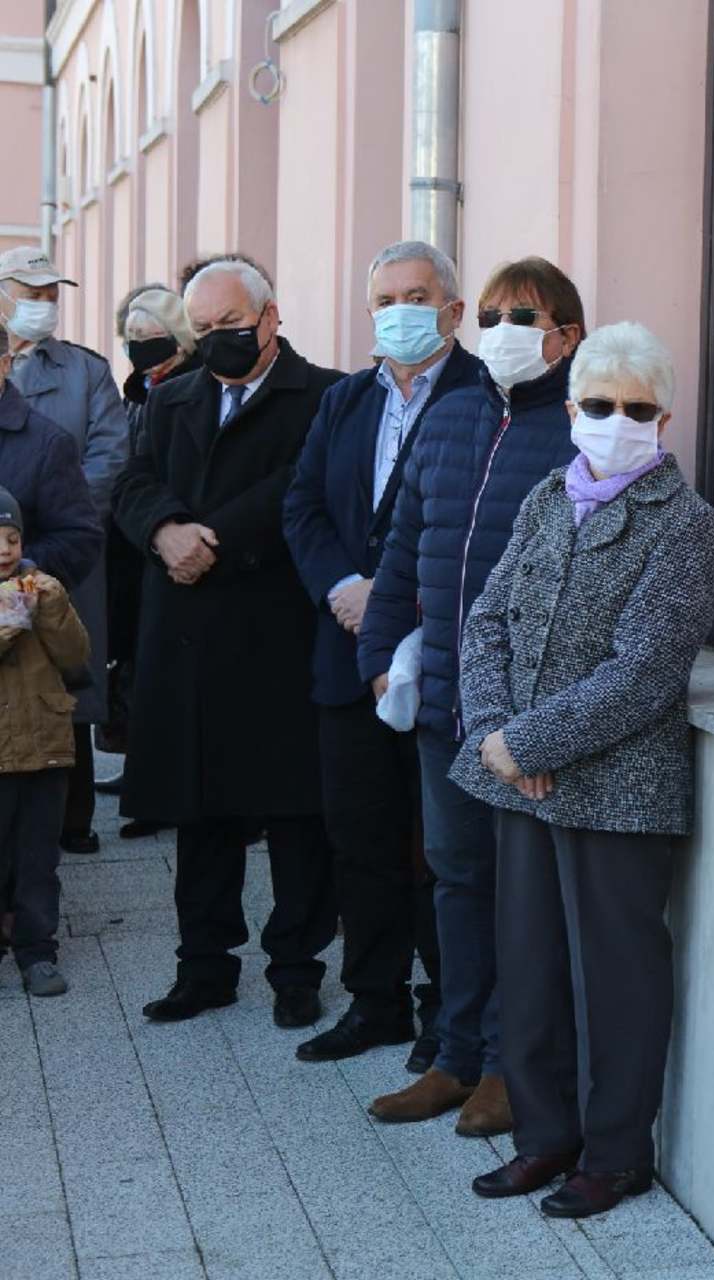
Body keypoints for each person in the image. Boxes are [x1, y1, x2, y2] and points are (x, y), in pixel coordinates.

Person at [456, 322, 714, 1218]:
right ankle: (545, 1137)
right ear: (572, 411)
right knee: (529, 966)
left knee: (616, 979)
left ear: (665, 420)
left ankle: (615, 1155)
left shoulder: (688, 527)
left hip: (618, 789)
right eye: (601, 405)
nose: (618, 422)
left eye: (638, 410)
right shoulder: (547, 497)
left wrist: (530, 745)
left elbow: (645, 670)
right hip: (518, 776)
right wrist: (496, 734)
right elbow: (487, 619)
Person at [358, 257, 584, 1137]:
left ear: (565, 336)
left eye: (521, 317)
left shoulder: (578, 428)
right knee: (455, 882)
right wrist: (380, 656)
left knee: (520, 898)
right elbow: (403, 546)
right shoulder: (451, 415)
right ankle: (454, 1057)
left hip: (522, 719)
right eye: (490, 317)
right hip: (440, 707)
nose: (501, 332)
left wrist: (542, 723)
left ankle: (507, 1065)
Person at [112, 258, 345, 1030]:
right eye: (203, 328)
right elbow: (131, 482)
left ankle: (296, 968)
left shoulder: (325, 395)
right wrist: (163, 530)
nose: (218, 339)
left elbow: (302, 487)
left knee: (294, 813)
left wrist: (211, 537)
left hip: (276, 630)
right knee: (198, 809)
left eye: (231, 325)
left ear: (270, 318)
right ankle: (203, 966)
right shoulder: (172, 396)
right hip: (187, 634)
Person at [284, 240, 481, 1071]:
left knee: (440, 847)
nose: (401, 312)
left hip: (438, 658)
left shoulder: (485, 396)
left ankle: (447, 1011)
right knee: (360, 837)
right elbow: (302, 506)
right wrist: (344, 587)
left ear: (453, 310)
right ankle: (376, 1002)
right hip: (348, 652)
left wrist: (396, 599)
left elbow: (482, 526)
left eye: (418, 296)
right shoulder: (345, 400)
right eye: (386, 300)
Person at [0, 246, 129, 857]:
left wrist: (27, 544)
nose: (44, 305)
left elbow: (110, 454)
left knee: (63, 683)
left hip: (60, 558)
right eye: (32, 293)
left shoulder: (84, 370)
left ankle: (71, 822)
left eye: (52, 294)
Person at [100, 287, 201, 845]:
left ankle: (170, 791)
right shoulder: (139, 388)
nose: (140, 348)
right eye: (132, 339)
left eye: (150, 337)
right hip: (133, 544)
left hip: (176, 540)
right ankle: (146, 780)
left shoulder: (190, 386)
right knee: (138, 670)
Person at [0, 486, 93, 997]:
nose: (5, 549)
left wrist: (51, 609)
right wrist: (8, 623)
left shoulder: (43, 585)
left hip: (45, 745)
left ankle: (38, 951)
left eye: (12, 538)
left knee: (39, 858)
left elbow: (76, 656)